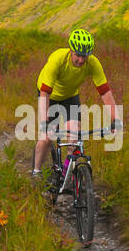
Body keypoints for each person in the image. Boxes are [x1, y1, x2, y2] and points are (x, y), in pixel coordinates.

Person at [32, 29, 121, 179]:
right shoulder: (57, 59)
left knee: (73, 135)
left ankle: (68, 173)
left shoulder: (93, 63)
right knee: (47, 136)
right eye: (78, 55)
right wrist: (44, 121)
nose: (81, 60)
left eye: (84, 56)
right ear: (71, 51)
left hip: (70, 96)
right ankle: (36, 172)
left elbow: (105, 92)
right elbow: (45, 93)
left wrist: (116, 119)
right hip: (49, 95)